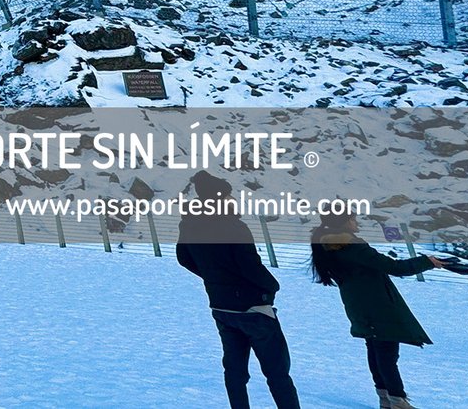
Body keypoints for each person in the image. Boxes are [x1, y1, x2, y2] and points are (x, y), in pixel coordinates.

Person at [175, 171, 300, 409]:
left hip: (221, 306)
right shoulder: (234, 226)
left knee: (235, 371)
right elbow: (249, 265)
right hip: (253, 307)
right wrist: (272, 286)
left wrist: (214, 278)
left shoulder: (189, 223)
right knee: (277, 373)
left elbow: (183, 258)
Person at [309, 212, 449, 409]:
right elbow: (393, 267)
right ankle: (397, 401)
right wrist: (426, 261)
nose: (355, 222)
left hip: (358, 305)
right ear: (343, 223)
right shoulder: (353, 247)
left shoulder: (326, 246)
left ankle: (385, 399)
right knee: (386, 353)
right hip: (377, 306)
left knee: (375, 349)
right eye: (352, 218)